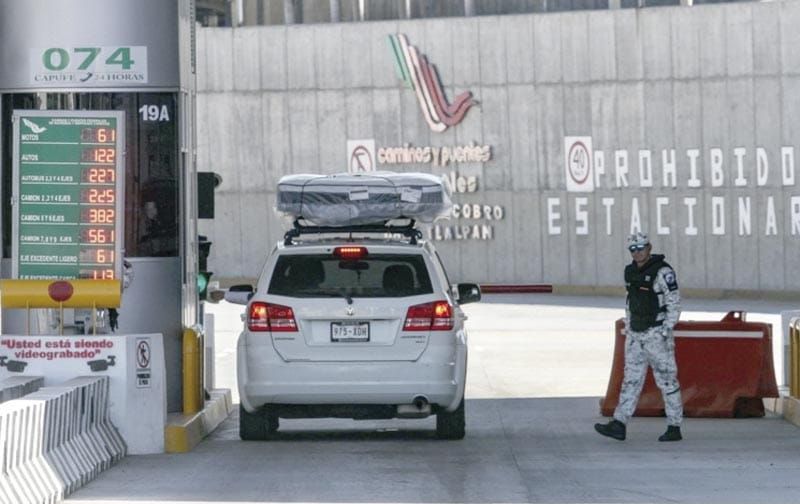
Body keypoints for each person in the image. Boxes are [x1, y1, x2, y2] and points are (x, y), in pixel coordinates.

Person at [595, 232, 683, 442]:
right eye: (633, 250)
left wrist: (665, 329)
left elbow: (674, 302)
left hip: (656, 334)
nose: (637, 253)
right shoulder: (630, 272)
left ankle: (674, 426)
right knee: (631, 380)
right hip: (636, 333)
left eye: (641, 248)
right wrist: (629, 325)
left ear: (649, 248)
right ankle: (619, 423)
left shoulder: (663, 272)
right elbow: (630, 301)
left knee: (667, 381)